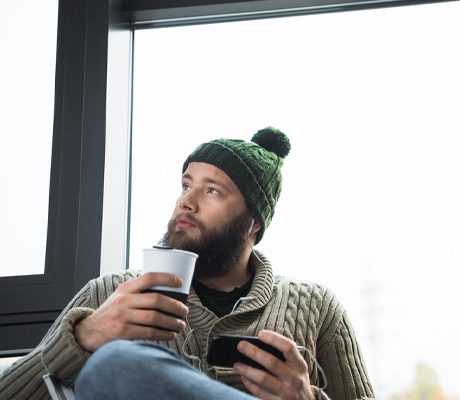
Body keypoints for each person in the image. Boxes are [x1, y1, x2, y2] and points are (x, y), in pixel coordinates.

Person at [0, 127, 374, 400]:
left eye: (212, 190)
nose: (186, 201)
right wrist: (85, 337)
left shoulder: (318, 308)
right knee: (116, 364)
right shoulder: (111, 294)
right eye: (185, 185)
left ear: (254, 222)